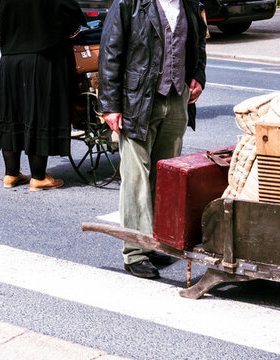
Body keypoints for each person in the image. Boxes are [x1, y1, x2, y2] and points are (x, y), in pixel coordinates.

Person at [98, 0, 206, 278]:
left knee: (166, 177)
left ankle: (155, 241)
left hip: (176, 99)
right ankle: (135, 251)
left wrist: (198, 75)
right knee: (136, 178)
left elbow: (199, 41)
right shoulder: (129, 3)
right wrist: (110, 105)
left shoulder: (190, 3)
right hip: (137, 100)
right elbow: (110, 51)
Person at [0, 0, 85, 191]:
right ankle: (38, 177)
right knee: (39, 114)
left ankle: (11, 174)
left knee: (11, 114)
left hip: (10, 59)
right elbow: (73, 18)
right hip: (42, 57)